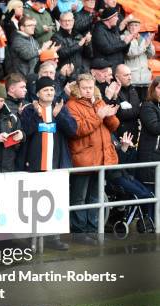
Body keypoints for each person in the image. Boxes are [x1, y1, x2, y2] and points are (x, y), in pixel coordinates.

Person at [19, 76, 76, 250]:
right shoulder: (30, 110)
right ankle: (32, 239)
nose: (50, 92)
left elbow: (73, 130)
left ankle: (54, 238)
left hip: (56, 164)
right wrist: (37, 116)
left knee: (54, 202)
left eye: (51, 89)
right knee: (34, 204)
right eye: (46, 90)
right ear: (37, 93)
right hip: (35, 165)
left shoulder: (60, 108)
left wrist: (59, 116)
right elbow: (25, 132)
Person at [66, 73, 119, 242]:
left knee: (95, 197)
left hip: (101, 157)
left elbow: (114, 126)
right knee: (80, 198)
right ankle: (79, 233)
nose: (88, 91)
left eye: (91, 87)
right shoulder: (71, 105)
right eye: (85, 88)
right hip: (83, 159)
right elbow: (78, 130)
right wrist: (99, 116)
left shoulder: (99, 101)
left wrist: (109, 115)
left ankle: (94, 230)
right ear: (77, 88)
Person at [0, 81, 24, 173]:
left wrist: (21, 136)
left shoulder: (11, 116)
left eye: (2, 101)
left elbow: (21, 132)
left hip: (9, 167)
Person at [123, 17, 155, 103]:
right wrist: (145, 44)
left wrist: (149, 44)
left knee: (145, 102)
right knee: (133, 102)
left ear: (139, 28)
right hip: (132, 78)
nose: (133, 27)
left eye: (136, 25)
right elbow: (131, 53)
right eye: (131, 25)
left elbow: (151, 55)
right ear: (128, 27)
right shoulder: (124, 37)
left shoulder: (142, 38)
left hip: (144, 78)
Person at [51, 11, 92, 77]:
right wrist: (78, 45)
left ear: (73, 21)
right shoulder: (56, 37)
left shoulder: (79, 35)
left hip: (80, 72)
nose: (67, 23)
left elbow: (88, 55)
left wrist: (88, 43)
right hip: (65, 74)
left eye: (69, 20)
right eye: (65, 21)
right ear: (60, 22)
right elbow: (61, 54)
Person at [136, 77, 160, 190]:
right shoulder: (148, 106)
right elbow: (155, 128)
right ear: (153, 89)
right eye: (159, 88)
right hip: (151, 155)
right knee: (151, 195)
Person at [114, 64, 141, 146]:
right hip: (120, 136)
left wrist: (131, 111)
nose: (130, 77)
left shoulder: (133, 89)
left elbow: (137, 111)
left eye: (130, 74)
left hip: (133, 135)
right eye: (126, 75)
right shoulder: (113, 90)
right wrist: (134, 111)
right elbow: (120, 113)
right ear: (116, 77)